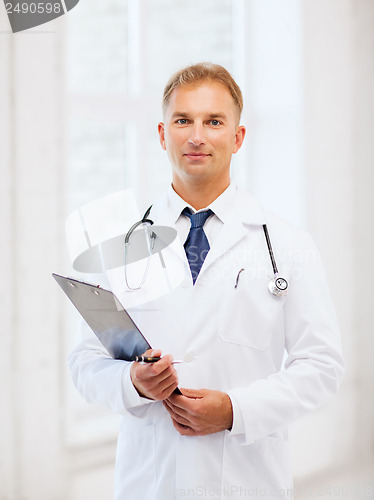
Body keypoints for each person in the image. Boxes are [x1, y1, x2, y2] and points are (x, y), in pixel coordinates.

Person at [68, 62, 345, 499]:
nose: (197, 136)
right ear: (163, 134)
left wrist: (236, 410)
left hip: (247, 480)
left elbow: (322, 366)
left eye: (214, 121)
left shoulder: (287, 244)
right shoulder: (122, 247)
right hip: (151, 481)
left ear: (237, 138)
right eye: (183, 121)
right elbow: (84, 363)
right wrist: (133, 384)